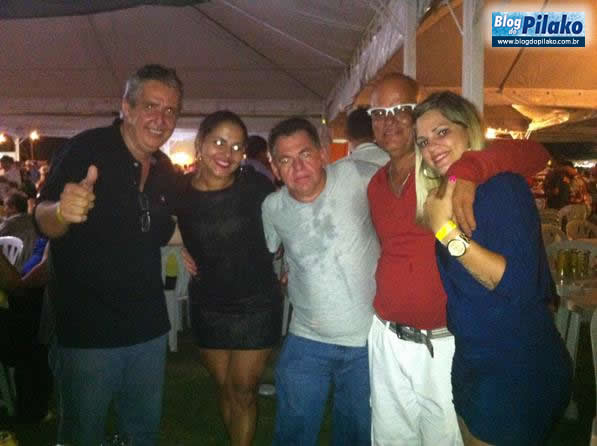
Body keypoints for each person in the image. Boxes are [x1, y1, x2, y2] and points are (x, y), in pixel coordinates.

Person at [366, 73, 552, 445]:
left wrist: (469, 170)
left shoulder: (449, 174)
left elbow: (536, 153)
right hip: (387, 337)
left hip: (446, 342)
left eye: (400, 109)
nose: (389, 120)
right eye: (379, 113)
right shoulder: (375, 184)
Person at [34, 64, 182, 446]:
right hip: (87, 331)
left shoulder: (165, 170)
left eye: (170, 110)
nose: (161, 119)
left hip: (148, 328)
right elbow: (43, 217)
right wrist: (61, 212)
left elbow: (165, 229)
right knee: (82, 434)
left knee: (142, 434)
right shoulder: (87, 149)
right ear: (127, 108)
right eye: (151, 106)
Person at [414, 91, 572, 445]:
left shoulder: (502, 188)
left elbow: (517, 284)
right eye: (423, 141)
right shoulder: (448, 196)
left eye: (442, 132)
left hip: (514, 366)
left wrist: (445, 232)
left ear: (468, 129)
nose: (432, 147)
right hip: (474, 360)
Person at [261, 117, 379, 446]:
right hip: (306, 338)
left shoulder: (356, 175)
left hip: (365, 340)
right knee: (292, 432)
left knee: (358, 433)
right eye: (285, 160)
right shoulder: (273, 207)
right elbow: (270, 253)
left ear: (323, 153)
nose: (298, 167)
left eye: (305, 154)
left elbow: (408, 183)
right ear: (275, 168)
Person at [172, 110, 282, 446]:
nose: (227, 153)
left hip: (257, 304)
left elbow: (287, 221)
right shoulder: (179, 192)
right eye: (219, 142)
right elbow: (165, 226)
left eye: (236, 147)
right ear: (200, 143)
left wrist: (289, 256)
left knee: (244, 390)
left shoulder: (256, 186)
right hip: (208, 304)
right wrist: (181, 248)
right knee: (224, 387)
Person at [0, 191, 37, 271]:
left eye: (5, 206)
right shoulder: (33, 221)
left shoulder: (9, 224)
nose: (4, 209)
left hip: (9, 268)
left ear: (13, 208)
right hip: (28, 266)